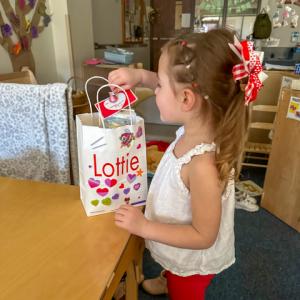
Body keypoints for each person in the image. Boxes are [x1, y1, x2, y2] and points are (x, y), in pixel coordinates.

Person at [109, 28, 264, 300]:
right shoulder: (198, 125)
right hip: (178, 242)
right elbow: (173, 82)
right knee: (174, 270)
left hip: (192, 264)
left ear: (186, 100)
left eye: (158, 86)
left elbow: (203, 236)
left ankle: (176, 283)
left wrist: (144, 227)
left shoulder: (202, 165)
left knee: (185, 291)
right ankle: (168, 277)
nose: (155, 89)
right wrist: (141, 76)